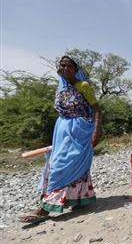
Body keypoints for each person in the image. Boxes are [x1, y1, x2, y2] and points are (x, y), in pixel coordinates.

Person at [20, 56, 102, 223]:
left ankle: (44, 209)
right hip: (62, 131)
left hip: (80, 131)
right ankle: (78, 199)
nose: (64, 68)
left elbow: (97, 109)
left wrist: (96, 131)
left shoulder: (83, 86)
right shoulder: (60, 88)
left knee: (63, 165)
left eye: (68, 66)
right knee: (56, 162)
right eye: (62, 65)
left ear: (75, 69)